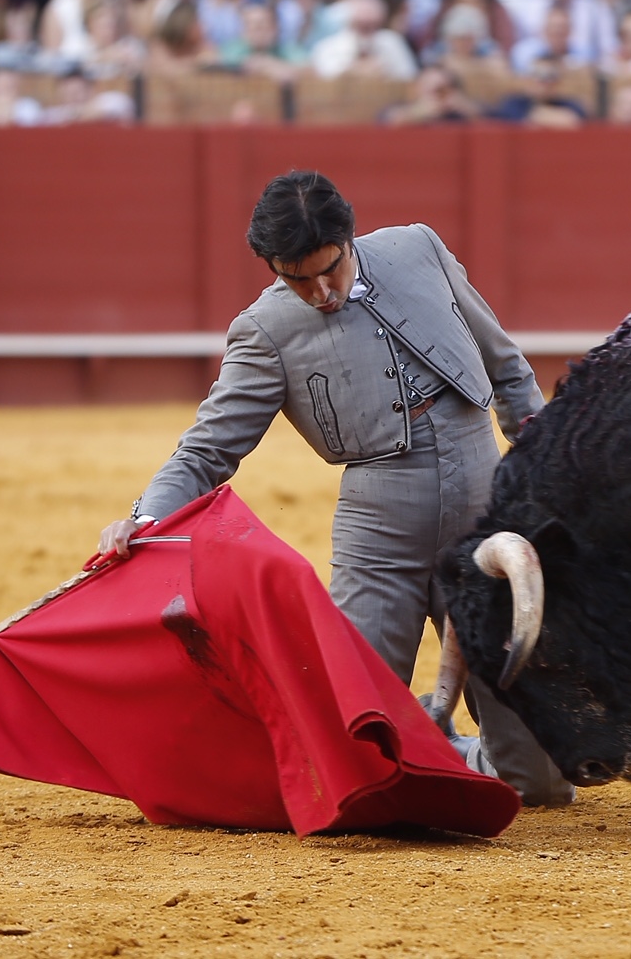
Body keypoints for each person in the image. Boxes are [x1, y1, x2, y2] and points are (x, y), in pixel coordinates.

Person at [96, 173, 574, 807]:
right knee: (348, 763)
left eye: (330, 269)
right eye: (299, 280)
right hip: (381, 542)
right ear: (270, 267)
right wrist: (145, 516)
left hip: (487, 520)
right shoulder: (265, 331)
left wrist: (546, 469)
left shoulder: (418, 250)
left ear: (350, 239)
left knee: (537, 786)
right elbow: (209, 449)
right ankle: (436, 742)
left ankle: (454, 748)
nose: (322, 292)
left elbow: (507, 368)